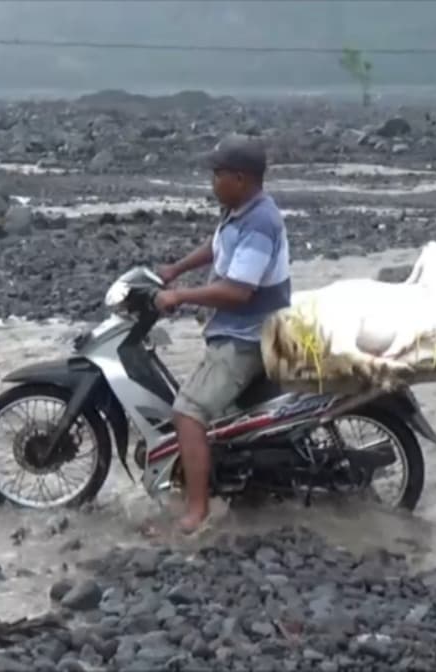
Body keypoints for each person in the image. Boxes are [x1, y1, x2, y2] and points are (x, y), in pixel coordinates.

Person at [152, 134, 291, 534]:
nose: (212, 182)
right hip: (239, 329)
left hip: (248, 337)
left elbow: (236, 291)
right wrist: (175, 269)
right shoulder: (239, 213)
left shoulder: (261, 222)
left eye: (218, 175)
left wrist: (179, 295)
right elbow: (218, 247)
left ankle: (198, 511)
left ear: (241, 179)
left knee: (189, 412)